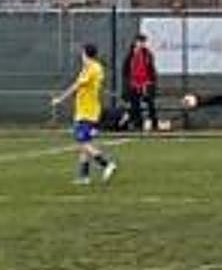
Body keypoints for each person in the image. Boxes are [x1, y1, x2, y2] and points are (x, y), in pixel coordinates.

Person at [51, 44, 118, 185]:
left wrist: (60, 99)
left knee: (82, 142)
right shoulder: (95, 67)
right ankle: (84, 176)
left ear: (85, 54)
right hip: (89, 110)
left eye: (82, 53)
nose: (81, 56)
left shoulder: (91, 69)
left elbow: (77, 85)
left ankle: (106, 164)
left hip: (87, 111)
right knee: (84, 144)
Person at [122, 34, 158, 132]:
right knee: (135, 105)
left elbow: (151, 69)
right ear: (135, 42)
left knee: (150, 104)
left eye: (143, 42)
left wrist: (151, 82)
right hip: (134, 84)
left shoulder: (147, 54)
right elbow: (125, 71)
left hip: (146, 83)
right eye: (139, 42)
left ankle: (154, 124)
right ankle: (138, 124)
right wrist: (128, 84)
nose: (141, 44)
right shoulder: (130, 55)